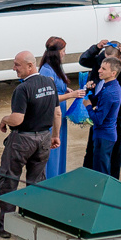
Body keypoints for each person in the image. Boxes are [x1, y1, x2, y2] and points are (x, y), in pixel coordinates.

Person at [0, 51, 61, 237]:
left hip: (23, 139)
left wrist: (4, 119)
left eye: (17, 65)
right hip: (44, 138)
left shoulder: (22, 89)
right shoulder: (49, 83)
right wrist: (55, 135)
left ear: (30, 66)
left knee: (9, 179)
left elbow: (17, 119)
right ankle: (34, 222)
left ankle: (6, 226)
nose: (14, 68)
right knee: (37, 181)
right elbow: (57, 113)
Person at [79, 38, 121, 179]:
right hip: (101, 114)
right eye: (105, 61)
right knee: (93, 149)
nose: (103, 68)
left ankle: (111, 182)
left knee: (115, 153)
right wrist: (96, 48)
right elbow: (83, 60)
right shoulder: (102, 63)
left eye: (111, 62)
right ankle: (88, 179)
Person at [38, 36, 84, 179]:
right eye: (63, 51)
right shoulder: (46, 71)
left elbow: (57, 88)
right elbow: (49, 97)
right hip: (52, 114)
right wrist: (72, 95)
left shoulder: (54, 68)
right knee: (52, 149)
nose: (64, 53)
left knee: (60, 146)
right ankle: (50, 178)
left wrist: (66, 89)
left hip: (60, 113)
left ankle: (57, 176)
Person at [83, 56, 121, 176]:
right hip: (104, 135)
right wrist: (90, 91)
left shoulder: (109, 92)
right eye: (100, 67)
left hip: (103, 136)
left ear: (113, 73)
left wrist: (88, 106)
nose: (99, 70)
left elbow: (98, 119)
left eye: (103, 69)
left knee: (101, 173)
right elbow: (99, 102)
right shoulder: (109, 86)